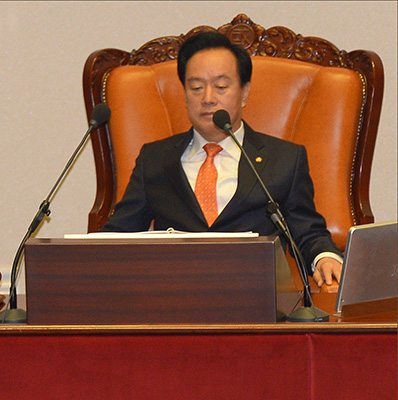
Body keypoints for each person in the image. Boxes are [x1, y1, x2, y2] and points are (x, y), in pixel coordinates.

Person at [102, 31, 343, 289]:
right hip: (173, 294)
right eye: (196, 87)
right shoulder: (155, 159)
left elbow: (307, 230)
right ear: (185, 94)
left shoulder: (284, 159)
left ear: (244, 92)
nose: (208, 98)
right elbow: (119, 234)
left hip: (255, 294)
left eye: (221, 87)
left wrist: (325, 257)